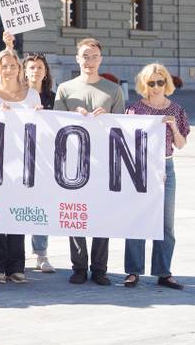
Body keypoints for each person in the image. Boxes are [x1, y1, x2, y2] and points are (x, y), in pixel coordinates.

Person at [54, 37, 124, 286]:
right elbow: (55, 125)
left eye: (94, 56)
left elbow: (122, 128)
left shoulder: (113, 90)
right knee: (75, 214)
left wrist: (108, 119)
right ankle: (79, 267)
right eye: (85, 56)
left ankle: (100, 268)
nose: (89, 61)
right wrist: (72, 115)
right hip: (73, 163)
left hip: (103, 162)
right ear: (77, 59)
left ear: (100, 59)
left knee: (102, 215)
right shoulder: (65, 89)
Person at [124, 63, 189, 290]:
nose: (156, 86)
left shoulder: (176, 110)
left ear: (166, 83)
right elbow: (127, 142)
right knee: (137, 220)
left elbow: (181, 144)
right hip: (141, 168)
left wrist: (174, 128)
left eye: (160, 82)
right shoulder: (135, 110)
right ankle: (133, 271)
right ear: (144, 84)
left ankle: (164, 272)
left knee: (166, 224)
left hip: (166, 167)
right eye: (151, 82)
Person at [0, 49, 40, 284]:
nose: (8, 69)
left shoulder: (32, 95)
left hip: (24, 161)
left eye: (13, 65)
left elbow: (40, 127)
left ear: (19, 68)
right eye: (3, 66)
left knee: (18, 211)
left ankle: (16, 265)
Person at [22, 50, 56, 273]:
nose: (36, 71)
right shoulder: (17, 95)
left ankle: (41, 254)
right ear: (25, 71)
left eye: (40, 67)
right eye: (31, 67)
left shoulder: (54, 98)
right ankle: (14, 253)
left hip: (45, 158)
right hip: (18, 157)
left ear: (46, 72)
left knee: (41, 205)